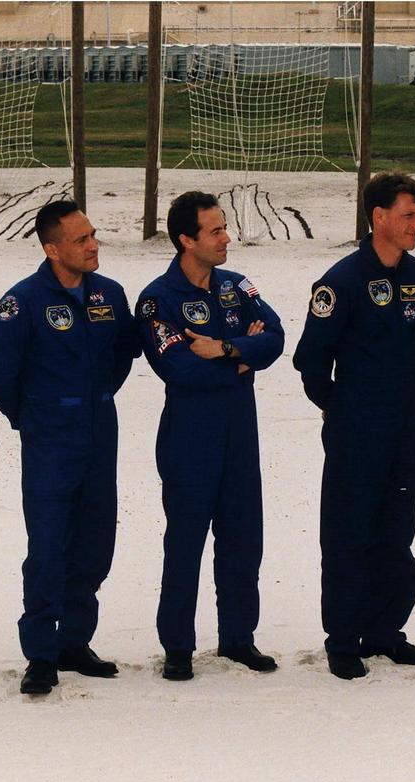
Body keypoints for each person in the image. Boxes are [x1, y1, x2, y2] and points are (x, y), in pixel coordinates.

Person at [0, 200, 141, 696]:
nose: (93, 245)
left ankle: (75, 641)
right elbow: (0, 378)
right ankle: (41, 653)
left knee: (95, 544)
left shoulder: (110, 295)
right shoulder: (21, 303)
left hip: (99, 428)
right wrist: (35, 419)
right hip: (51, 435)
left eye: (93, 235)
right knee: (49, 545)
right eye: (80, 240)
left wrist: (95, 401)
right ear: (52, 249)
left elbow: (123, 355)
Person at [292, 172, 415, 680]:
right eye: (408, 215)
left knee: (396, 530)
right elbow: (311, 362)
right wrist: (340, 407)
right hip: (357, 425)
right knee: (349, 532)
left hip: (406, 423)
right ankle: (343, 639)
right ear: (378, 218)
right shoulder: (341, 282)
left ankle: (384, 631)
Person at [135, 191, 285, 681]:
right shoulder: (159, 298)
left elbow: (277, 338)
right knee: (185, 542)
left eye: (225, 228)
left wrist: (222, 348)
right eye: (216, 230)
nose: (227, 238)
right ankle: (178, 646)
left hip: (240, 431)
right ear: (186, 239)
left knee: (244, 539)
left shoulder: (237, 286)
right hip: (190, 434)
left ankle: (238, 637)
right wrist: (242, 359)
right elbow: (178, 369)